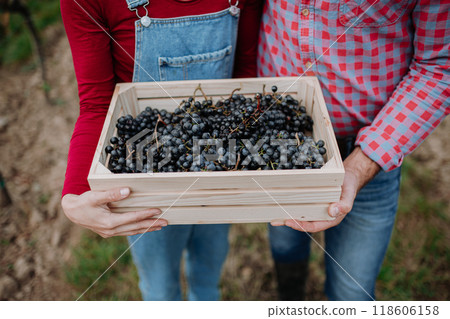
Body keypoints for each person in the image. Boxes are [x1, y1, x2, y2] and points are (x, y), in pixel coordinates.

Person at [60, 0, 262, 300]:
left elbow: (244, 73)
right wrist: (74, 192)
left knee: (209, 269)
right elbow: (97, 104)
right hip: (147, 183)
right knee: (160, 288)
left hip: (216, 168)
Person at [258, 0, 449, 300]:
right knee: (285, 244)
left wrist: (362, 164)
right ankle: (290, 297)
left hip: (368, 151)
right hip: (280, 144)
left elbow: (440, 63)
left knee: (352, 289)